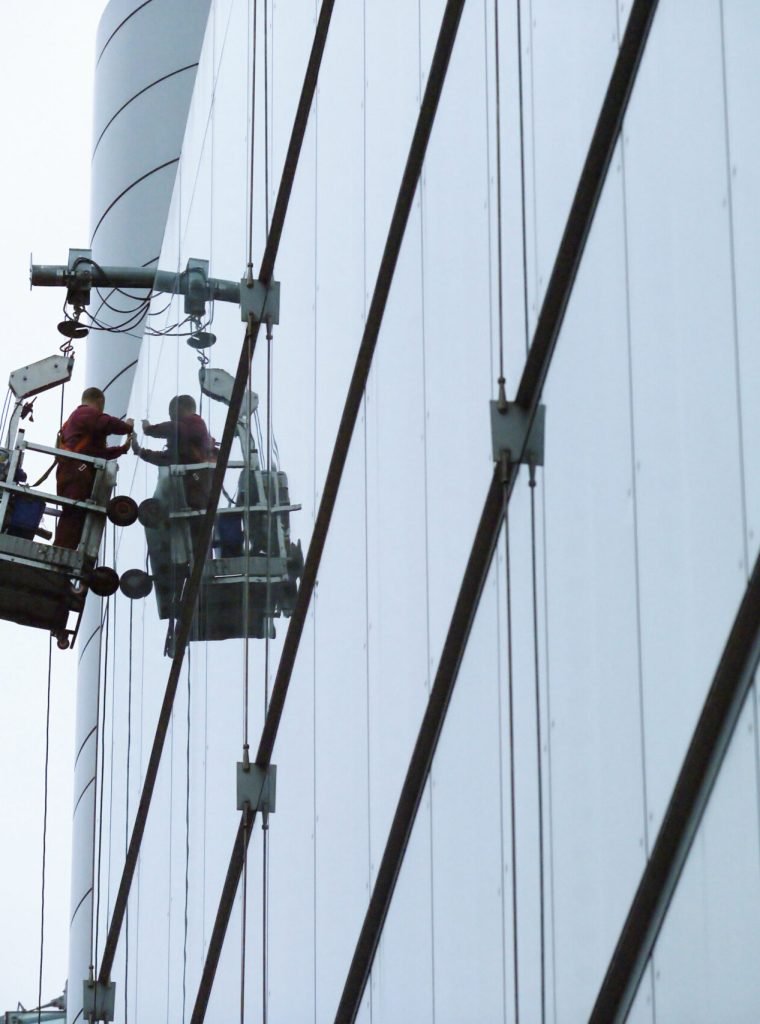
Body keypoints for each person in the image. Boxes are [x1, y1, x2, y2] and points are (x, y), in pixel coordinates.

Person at [55, 387, 133, 549]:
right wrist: (127, 427)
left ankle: (66, 549)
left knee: (76, 515)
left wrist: (122, 449)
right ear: (100, 401)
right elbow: (106, 423)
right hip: (77, 472)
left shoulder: (74, 423)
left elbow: (97, 453)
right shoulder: (85, 413)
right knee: (74, 513)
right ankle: (61, 551)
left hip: (72, 471)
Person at [132, 395, 216, 509]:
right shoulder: (195, 435)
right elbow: (168, 458)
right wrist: (140, 451)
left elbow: (170, 431)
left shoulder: (189, 425)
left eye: (171, 412)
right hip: (199, 489)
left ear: (180, 409)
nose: (171, 416)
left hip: (192, 488)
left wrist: (148, 430)